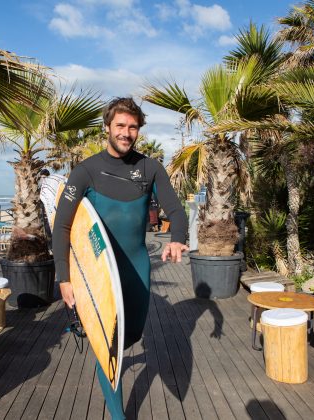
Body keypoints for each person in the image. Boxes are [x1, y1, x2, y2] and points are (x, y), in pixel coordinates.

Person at [52, 97, 189, 419]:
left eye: (132, 127)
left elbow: (176, 211)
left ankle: (114, 351)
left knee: (133, 335)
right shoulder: (85, 171)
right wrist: (64, 278)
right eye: (120, 126)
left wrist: (177, 240)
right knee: (107, 346)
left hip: (137, 268)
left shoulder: (150, 168)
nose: (126, 133)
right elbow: (62, 226)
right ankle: (118, 415)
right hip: (97, 274)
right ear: (107, 128)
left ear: (138, 130)